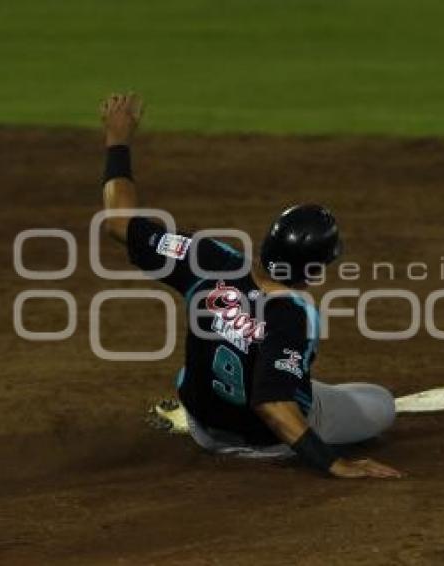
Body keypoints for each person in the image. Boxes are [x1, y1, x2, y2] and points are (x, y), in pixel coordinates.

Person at [99, 92, 402, 479]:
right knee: (380, 403)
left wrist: (117, 139)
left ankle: (191, 415)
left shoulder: (206, 259)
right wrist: (334, 463)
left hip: (204, 427)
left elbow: (118, 223)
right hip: (264, 441)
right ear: (313, 272)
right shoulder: (294, 315)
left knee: (263, 368)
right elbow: (272, 403)